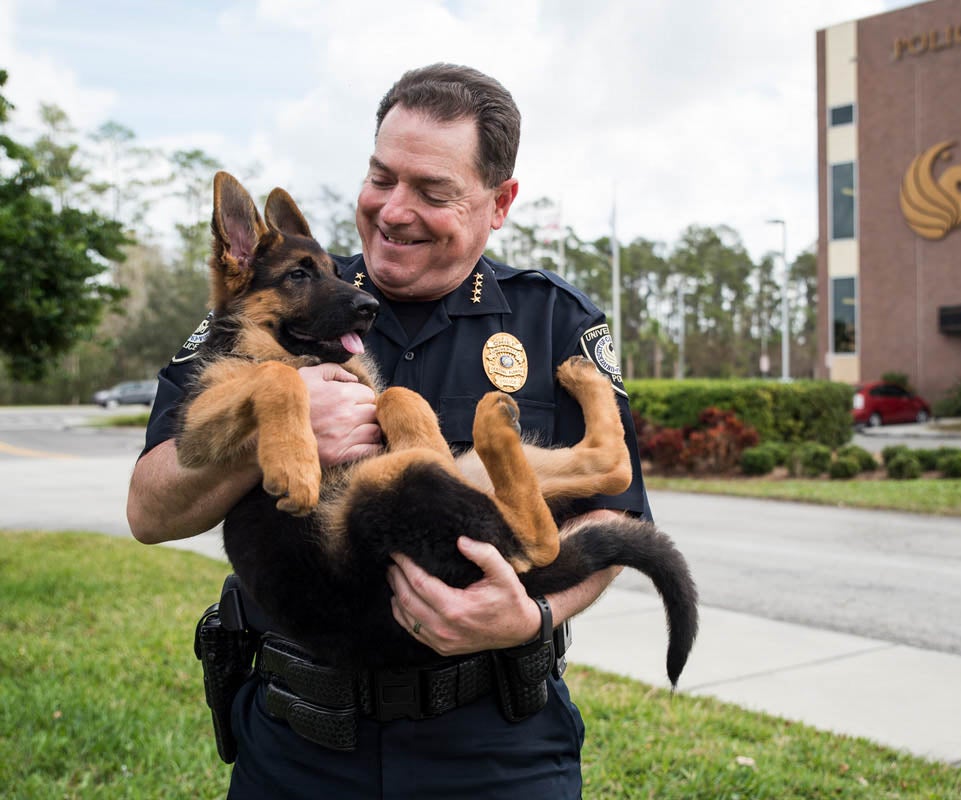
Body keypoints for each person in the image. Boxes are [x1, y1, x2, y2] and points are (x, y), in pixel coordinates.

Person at [127, 62, 651, 798]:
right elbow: (149, 510)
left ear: (499, 203)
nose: (394, 210)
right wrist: (275, 429)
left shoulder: (555, 319)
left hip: (496, 749)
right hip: (299, 742)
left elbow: (615, 515)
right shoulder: (281, 294)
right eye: (381, 178)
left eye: (433, 191)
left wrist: (531, 615)